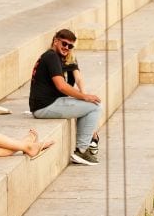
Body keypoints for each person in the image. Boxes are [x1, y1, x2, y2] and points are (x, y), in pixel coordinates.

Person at [29, 29, 102, 165]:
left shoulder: (60, 57)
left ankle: (85, 146)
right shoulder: (51, 57)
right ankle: (82, 151)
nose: (67, 48)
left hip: (50, 103)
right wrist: (84, 97)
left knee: (91, 105)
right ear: (55, 41)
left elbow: (78, 79)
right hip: (45, 107)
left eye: (70, 46)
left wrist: (84, 97)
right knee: (95, 107)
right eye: (64, 44)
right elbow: (61, 86)